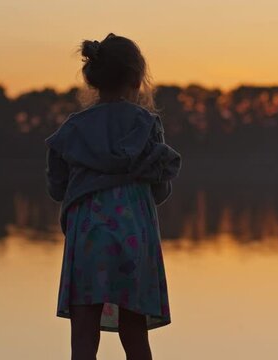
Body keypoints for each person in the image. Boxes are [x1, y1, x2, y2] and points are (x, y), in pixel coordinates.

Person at [45, 33, 181, 360]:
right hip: (134, 237)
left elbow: (57, 188)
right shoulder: (146, 124)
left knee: (83, 335)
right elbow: (160, 187)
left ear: (93, 78)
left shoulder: (73, 129)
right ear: (136, 78)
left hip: (87, 238)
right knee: (134, 333)